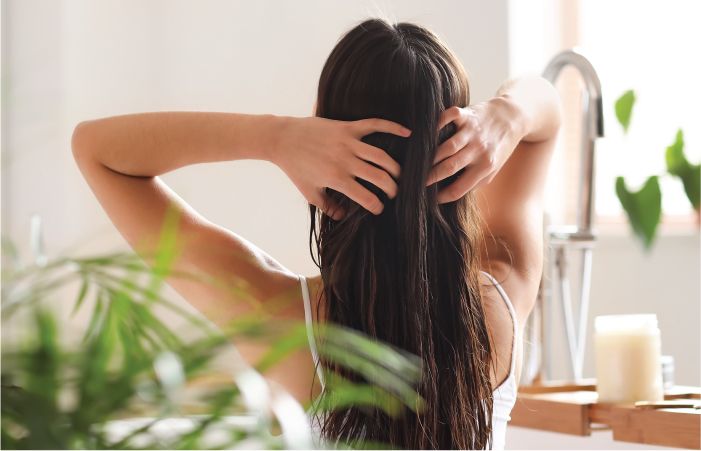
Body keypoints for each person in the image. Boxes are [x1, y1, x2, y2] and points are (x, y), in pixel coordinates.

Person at [72, 17, 561, 450]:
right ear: (462, 150)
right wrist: (506, 114)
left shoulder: (278, 319)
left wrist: (277, 137)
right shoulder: (500, 306)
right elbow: (548, 112)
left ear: (325, 142)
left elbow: (97, 149)